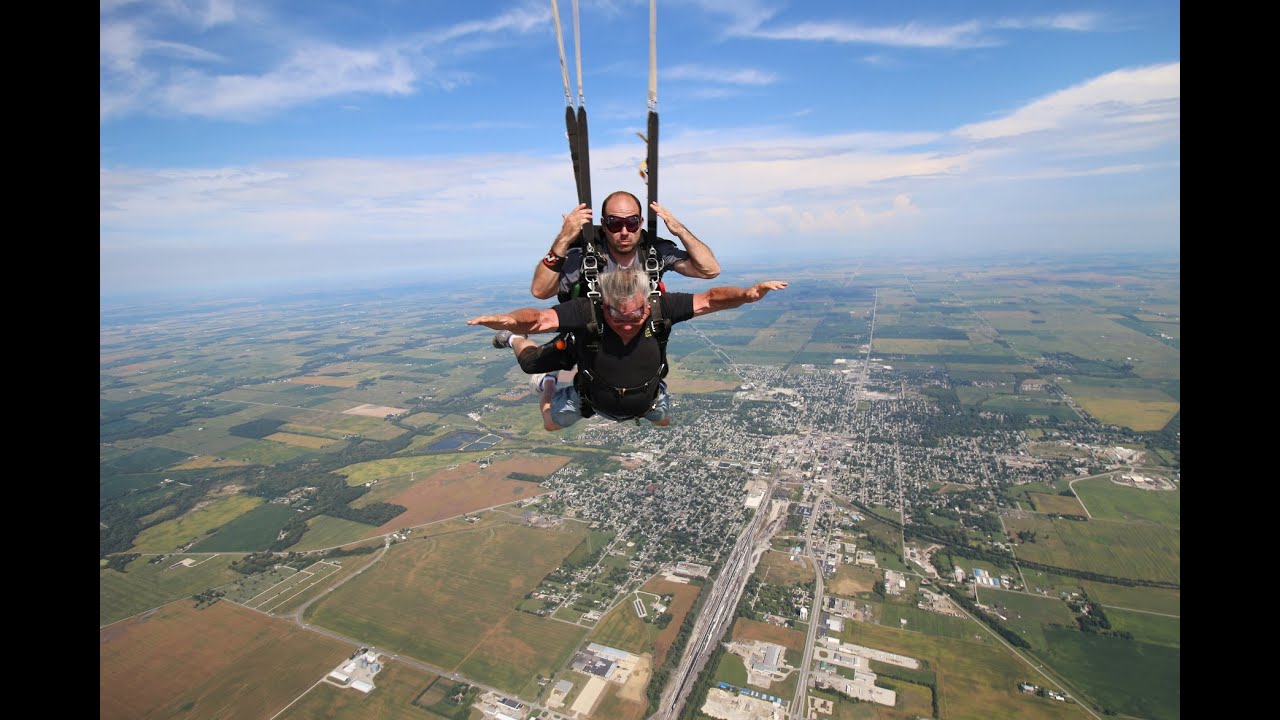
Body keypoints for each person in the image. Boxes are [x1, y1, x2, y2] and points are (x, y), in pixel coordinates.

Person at [468, 264, 787, 430]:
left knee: (663, 419)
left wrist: (746, 295)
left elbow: (710, 299)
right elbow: (538, 320)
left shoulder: (663, 306)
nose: (627, 321)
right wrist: (511, 324)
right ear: (603, 306)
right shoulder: (586, 311)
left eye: (636, 313)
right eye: (616, 314)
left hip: (645, 399)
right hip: (589, 396)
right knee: (548, 414)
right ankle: (547, 381)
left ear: (648, 304)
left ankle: (645, 402)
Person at [531, 191, 720, 301]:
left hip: (639, 340)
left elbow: (709, 270)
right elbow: (541, 291)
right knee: (534, 362)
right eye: (614, 223)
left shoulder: (653, 252)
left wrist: (679, 229)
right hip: (592, 342)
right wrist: (563, 239)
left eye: (631, 222)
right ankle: (513, 339)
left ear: (641, 223)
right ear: (604, 225)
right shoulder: (587, 256)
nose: (624, 231)